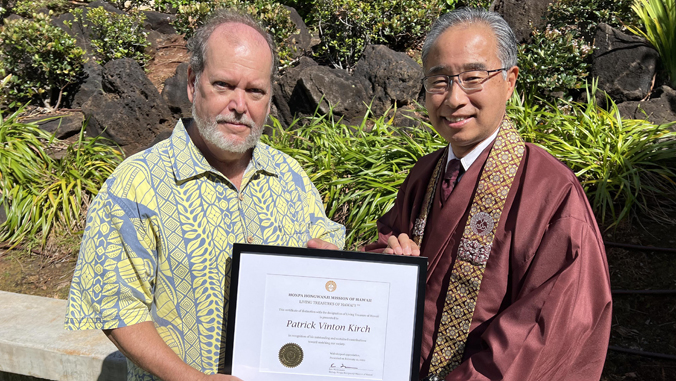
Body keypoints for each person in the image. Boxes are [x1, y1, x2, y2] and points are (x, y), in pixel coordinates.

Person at [64, 9, 344, 381]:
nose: (240, 105)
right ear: (194, 83)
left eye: (255, 90)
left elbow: (324, 250)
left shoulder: (290, 176)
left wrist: (336, 267)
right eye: (224, 85)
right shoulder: (136, 184)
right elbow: (116, 309)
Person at [365, 8, 612, 381]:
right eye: (439, 81)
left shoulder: (550, 192)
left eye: (473, 78)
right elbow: (385, 244)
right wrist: (389, 257)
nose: (454, 99)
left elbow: (547, 328)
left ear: (509, 81)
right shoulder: (424, 174)